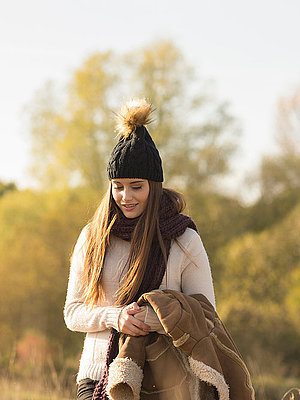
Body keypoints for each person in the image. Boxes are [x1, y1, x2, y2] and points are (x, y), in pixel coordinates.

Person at [63, 99, 216, 400]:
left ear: (154, 185)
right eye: (117, 186)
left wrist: (153, 320)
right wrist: (115, 317)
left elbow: (206, 314)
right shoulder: (93, 237)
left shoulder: (183, 239)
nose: (125, 196)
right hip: (97, 378)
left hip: (165, 379)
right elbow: (72, 313)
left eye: (136, 186)